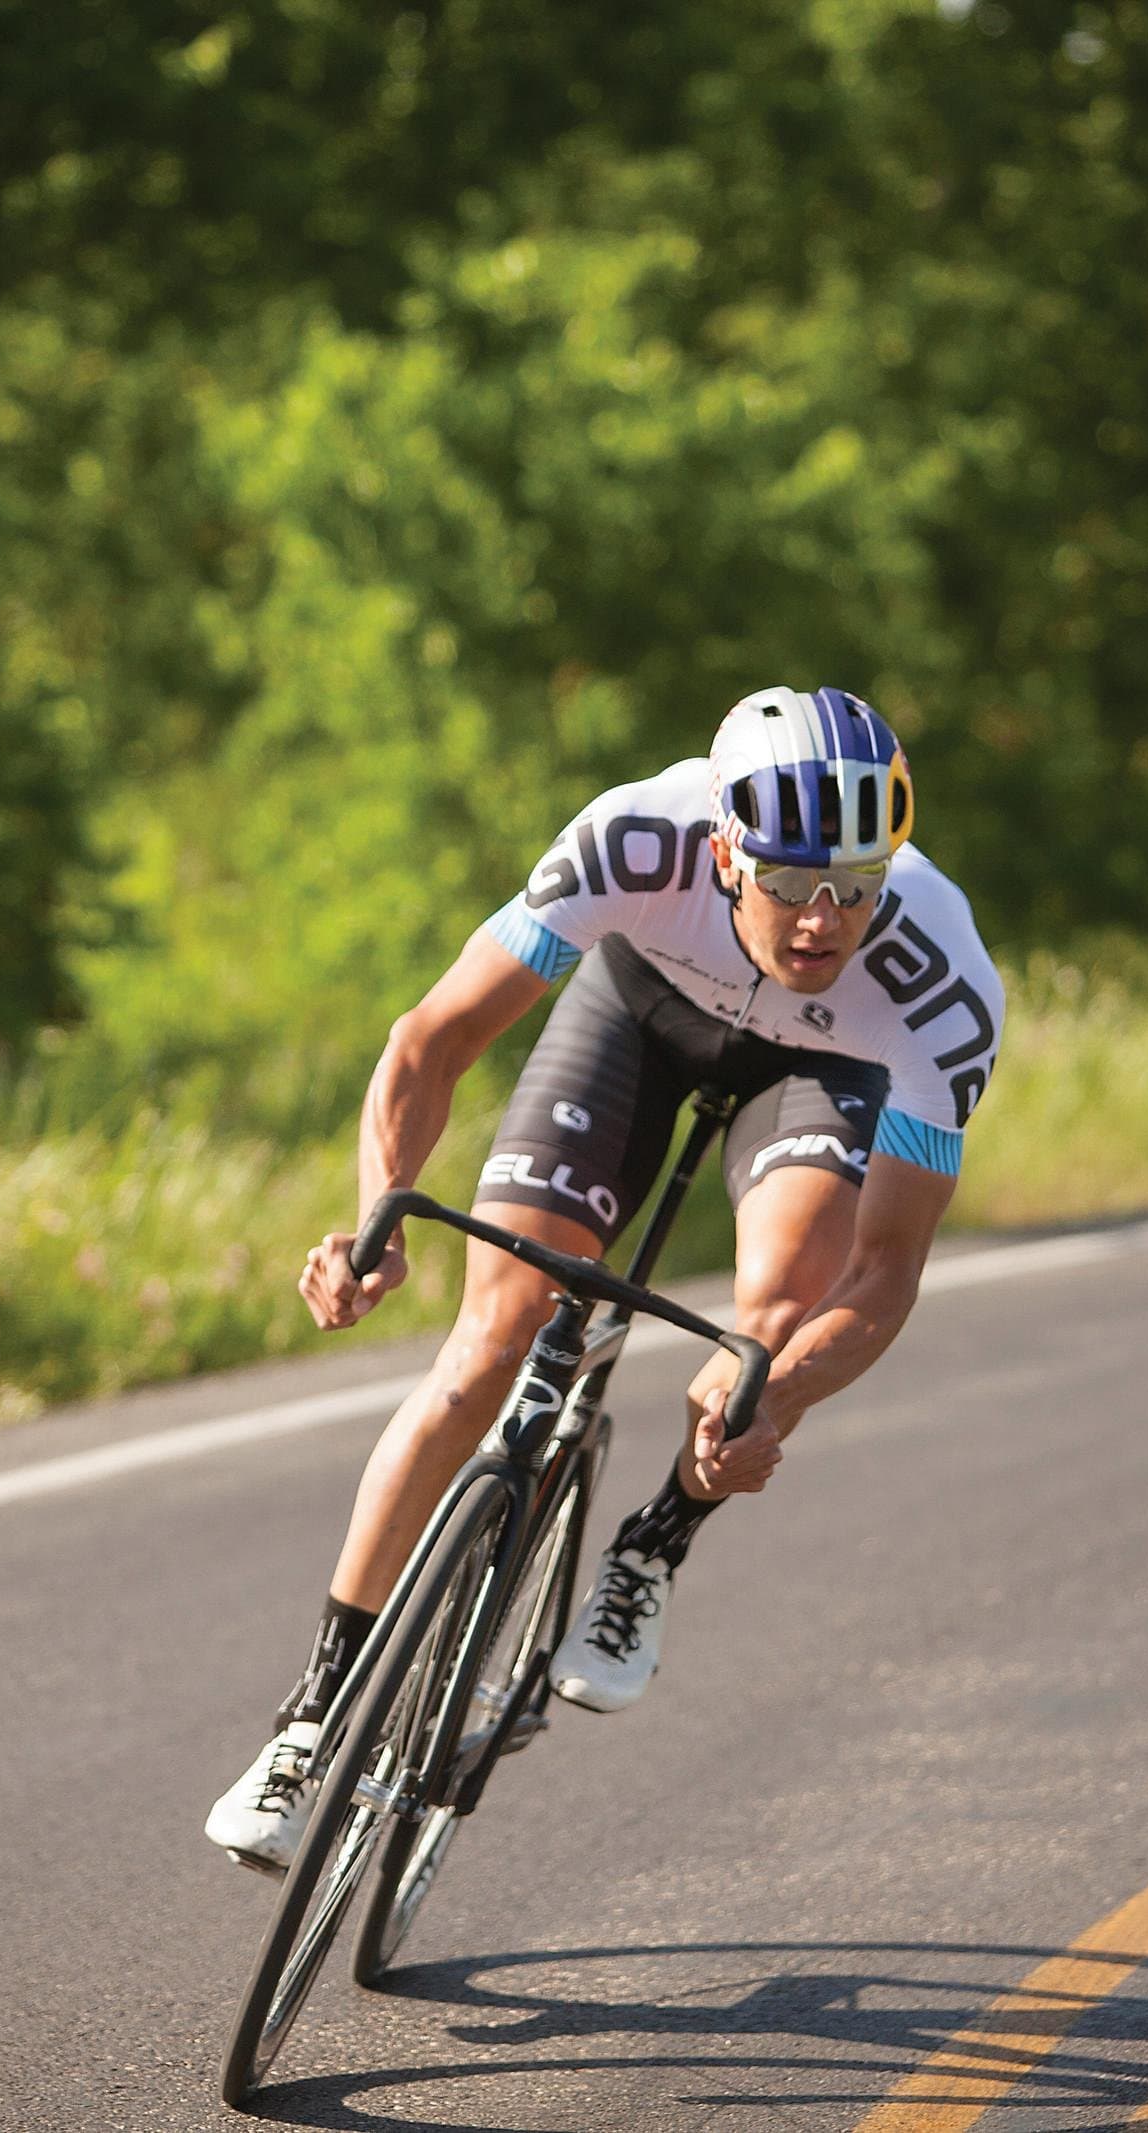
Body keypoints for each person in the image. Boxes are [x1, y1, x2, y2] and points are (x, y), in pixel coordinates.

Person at [206, 686, 1002, 1871]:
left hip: (822, 1072)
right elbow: (426, 1041)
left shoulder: (938, 988)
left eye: (853, 887)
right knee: (491, 1339)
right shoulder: (636, 837)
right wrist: (378, 1216)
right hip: (638, 1013)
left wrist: (770, 1400)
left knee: (771, 1321)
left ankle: (653, 1544)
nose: (819, 924)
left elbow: (884, 1272)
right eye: (788, 884)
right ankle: (312, 1714)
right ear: (726, 849)